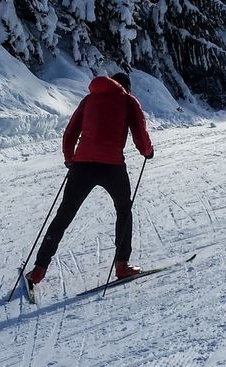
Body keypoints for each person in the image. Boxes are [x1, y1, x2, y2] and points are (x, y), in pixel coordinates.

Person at [27, 72, 154, 290]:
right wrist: (147, 152)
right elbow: (140, 134)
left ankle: (39, 270)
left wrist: (69, 160)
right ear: (126, 87)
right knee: (124, 210)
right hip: (113, 166)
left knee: (64, 215)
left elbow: (70, 133)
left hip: (82, 165)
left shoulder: (89, 99)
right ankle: (122, 265)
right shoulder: (128, 100)